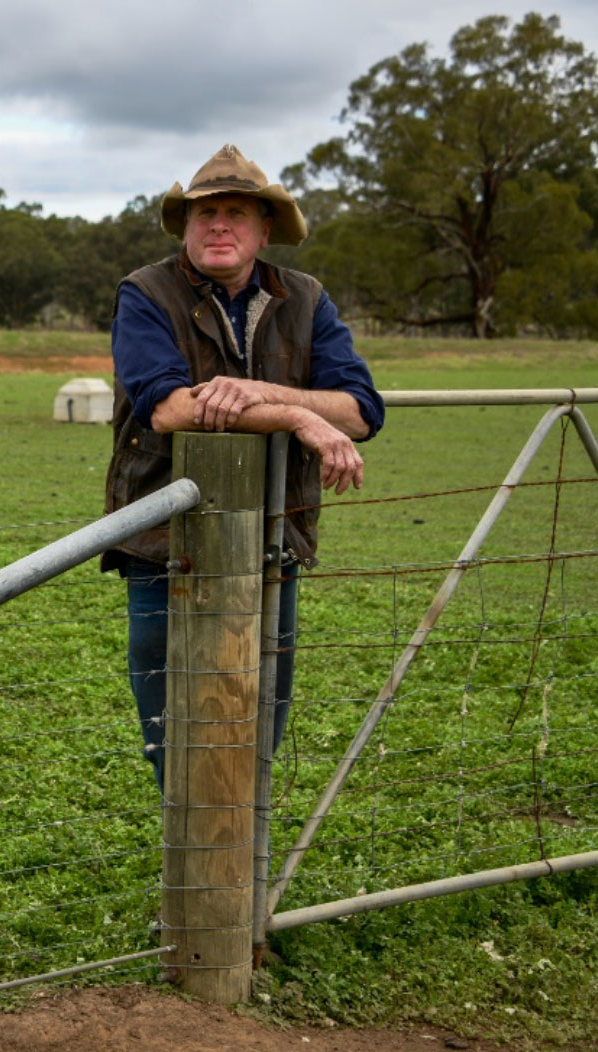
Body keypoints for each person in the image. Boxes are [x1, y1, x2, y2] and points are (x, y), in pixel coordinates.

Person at [101, 144, 385, 789]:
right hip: (165, 542)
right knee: (173, 730)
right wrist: (299, 419)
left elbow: (363, 410)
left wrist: (267, 394)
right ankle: (193, 875)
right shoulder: (146, 293)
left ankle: (242, 876)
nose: (218, 226)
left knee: (260, 724)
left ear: (263, 232)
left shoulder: (306, 299)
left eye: (235, 214)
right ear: (186, 228)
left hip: (271, 540)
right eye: (204, 215)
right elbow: (169, 407)